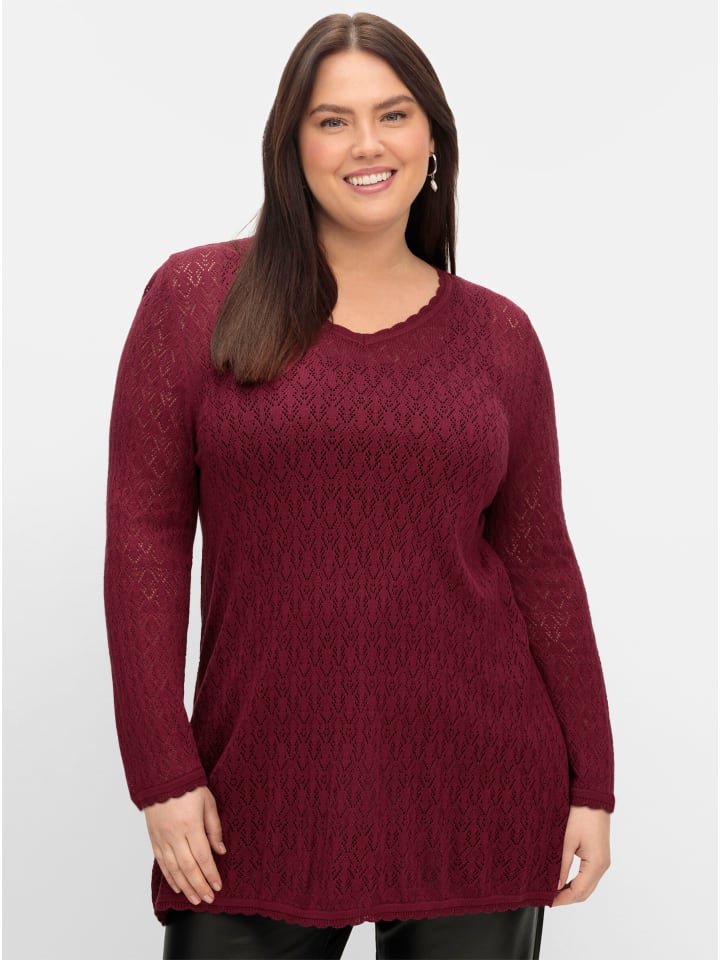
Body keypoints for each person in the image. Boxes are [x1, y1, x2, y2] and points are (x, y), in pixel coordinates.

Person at [103, 11, 615, 960]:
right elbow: (145, 536)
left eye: (393, 114)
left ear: (433, 140)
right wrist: (161, 772)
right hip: (255, 793)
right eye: (332, 120)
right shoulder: (196, 299)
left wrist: (593, 781)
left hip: (482, 786)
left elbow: (541, 561)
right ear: (291, 145)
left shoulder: (500, 337)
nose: (366, 144)